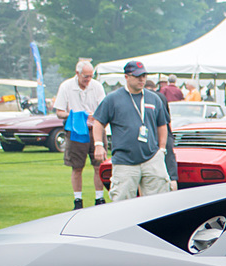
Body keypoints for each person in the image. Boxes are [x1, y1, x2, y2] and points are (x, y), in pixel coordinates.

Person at [90, 61, 172, 203]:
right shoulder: (113, 99)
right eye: (138, 76)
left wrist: (162, 149)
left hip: (152, 158)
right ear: (127, 77)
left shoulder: (154, 98)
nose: (142, 79)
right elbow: (98, 122)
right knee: (122, 202)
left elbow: (162, 125)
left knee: (158, 202)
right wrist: (98, 144)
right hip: (124, 160)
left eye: (144, 76)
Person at [53, 60, 108, 209]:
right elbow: (59, 112)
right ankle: (78, 200)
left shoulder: (97, 87)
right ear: (77, 74)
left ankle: (99, 198)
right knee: (77, 167)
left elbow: (104, 108)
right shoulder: (66, 86)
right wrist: (75, 115)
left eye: (90, 76)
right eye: (85, 76)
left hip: (95, 129)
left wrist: (94, 116)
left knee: (99, 165)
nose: (88, 80)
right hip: (76, 131)